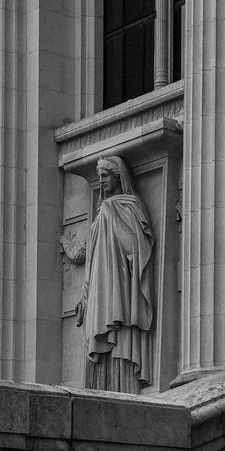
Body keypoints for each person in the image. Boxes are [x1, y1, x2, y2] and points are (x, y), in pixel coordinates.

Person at [75, 155, 154, 393]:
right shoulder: (103, 211)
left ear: (118, 176)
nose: (102, 182)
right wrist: (85, 297)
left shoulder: (124, 206)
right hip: (100, 287)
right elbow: (91, 261)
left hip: (117, 283)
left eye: (106, 176)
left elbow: (134, 246)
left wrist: (111, 216)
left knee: (118, 336)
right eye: (99, 177)